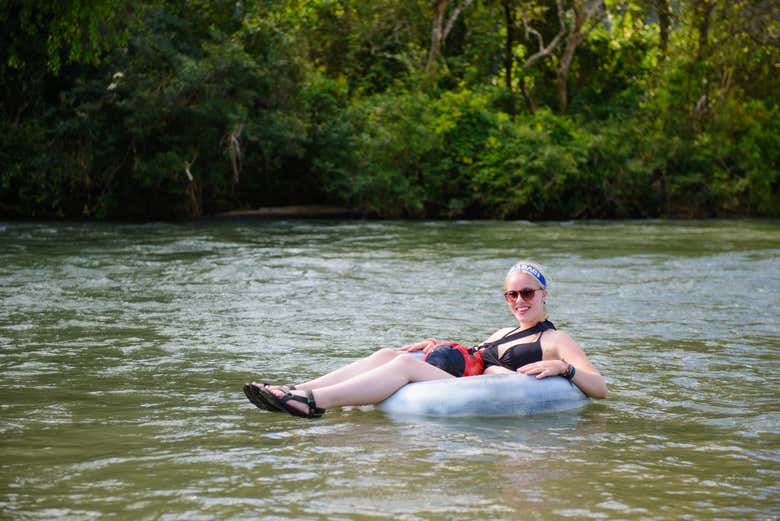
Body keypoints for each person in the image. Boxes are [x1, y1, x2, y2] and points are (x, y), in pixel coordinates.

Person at [244, 261, 607, 418]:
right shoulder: (502, 333)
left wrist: (563, 367)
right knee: (390, 352)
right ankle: (295, 389)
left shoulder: (556, 338)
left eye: (527, 293)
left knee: (402, 365)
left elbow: (600, 388)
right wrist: (437, 345)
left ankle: (314, 403)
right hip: (468, 377)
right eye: (511, 295)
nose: (519, 301)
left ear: (544, 295)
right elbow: (477, 356)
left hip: (486, 388)